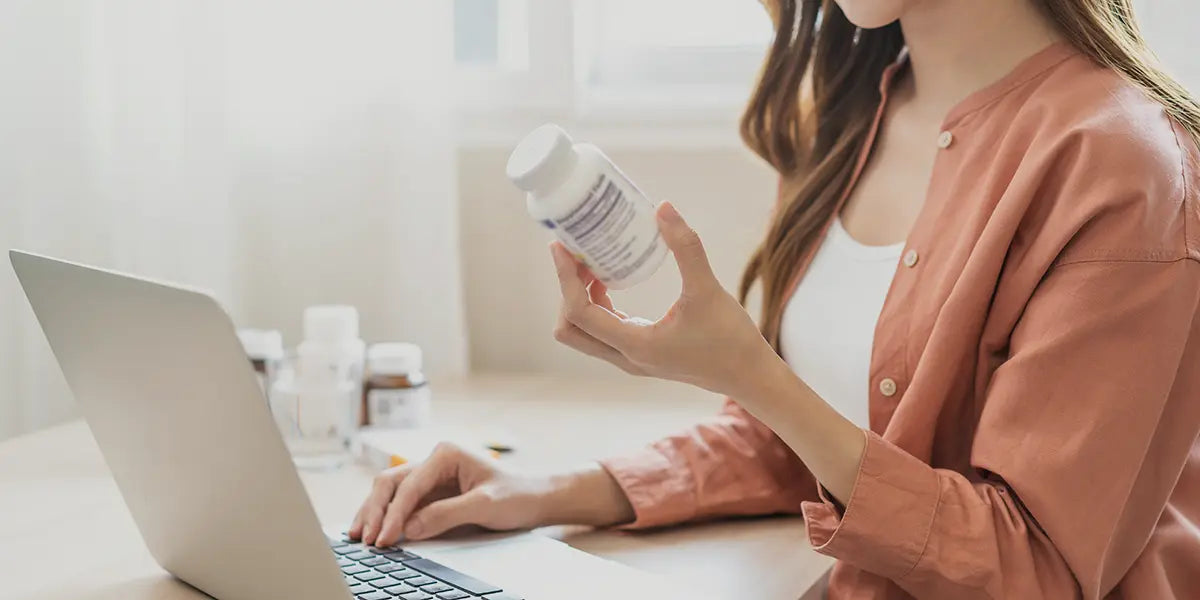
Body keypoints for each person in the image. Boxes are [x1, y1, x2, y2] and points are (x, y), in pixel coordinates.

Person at [350, 0, 1200, 597]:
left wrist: (756, 375)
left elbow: (1038, 572)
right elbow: (809, 437)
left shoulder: (1124, 168)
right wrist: (542, 491)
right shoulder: (859, 106)